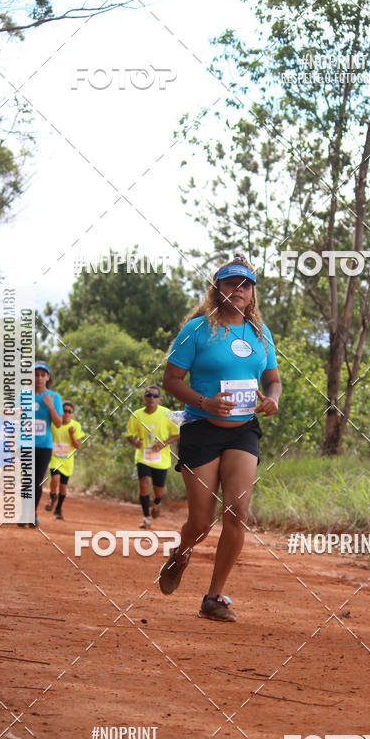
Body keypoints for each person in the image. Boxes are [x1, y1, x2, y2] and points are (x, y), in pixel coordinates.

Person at [160, 256, 281, 622]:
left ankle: (214, 597)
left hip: (244, 431)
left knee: (237, 513)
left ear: (252, 293)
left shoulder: (260, 335)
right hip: (201, 429)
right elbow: (171, 380)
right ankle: (181, 553)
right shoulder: (198, 330)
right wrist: (205, 402)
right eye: (230, 284)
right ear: (217, 290)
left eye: (245, 285)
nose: (238, 290)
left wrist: (272, 399)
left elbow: (273, 379)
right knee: (200, 522)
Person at [125, 385, 180, 529]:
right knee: (144, 483)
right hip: (143, 457)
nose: (151, 398)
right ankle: (146, 517)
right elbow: (129, 434)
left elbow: (178, 433)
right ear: (144, 398)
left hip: (161, 460)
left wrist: (164, 444)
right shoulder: (137, 415)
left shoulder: (166, 414)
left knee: (158, 492)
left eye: (155, 396)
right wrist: (135, 442)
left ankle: (156, 504)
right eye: (148, 395)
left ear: (159, 399)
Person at [26, 361, 63, 527]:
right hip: (25, 444)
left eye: (42, 375)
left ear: (48, 377)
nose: (39, 378)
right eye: (36, 374)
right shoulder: (24, 396)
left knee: (37, 480)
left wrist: (50, 406)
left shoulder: (54, 397)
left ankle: (31, 514)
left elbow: (58, 423)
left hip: (44, 445)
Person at [45, 401, 85, 520]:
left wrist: (71, 435)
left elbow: (77, 446)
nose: (67, 413)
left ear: (72, 414)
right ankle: (52, 496)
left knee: (63, 487)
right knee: (55, 478)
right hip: (55, 458)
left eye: (69, 411)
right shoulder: (54, 425)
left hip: (67, 462)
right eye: (64, 411)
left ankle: (58, 509)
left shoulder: (76, 426)